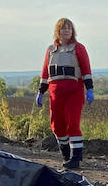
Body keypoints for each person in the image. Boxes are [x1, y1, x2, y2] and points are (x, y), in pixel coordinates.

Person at [36, 18, 94, 170]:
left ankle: (75, 158)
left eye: (69, 28)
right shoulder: (51, 50)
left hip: (74, 92)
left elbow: (86, 70)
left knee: (72, 124)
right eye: (63, 28)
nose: (66, 30)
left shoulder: (79, 48)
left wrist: (89, 89)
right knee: (57, 126)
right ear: (58, 31)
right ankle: (66, 154)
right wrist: (41, 91)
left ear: (72, 31)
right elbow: (45, 72)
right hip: (55, 94)